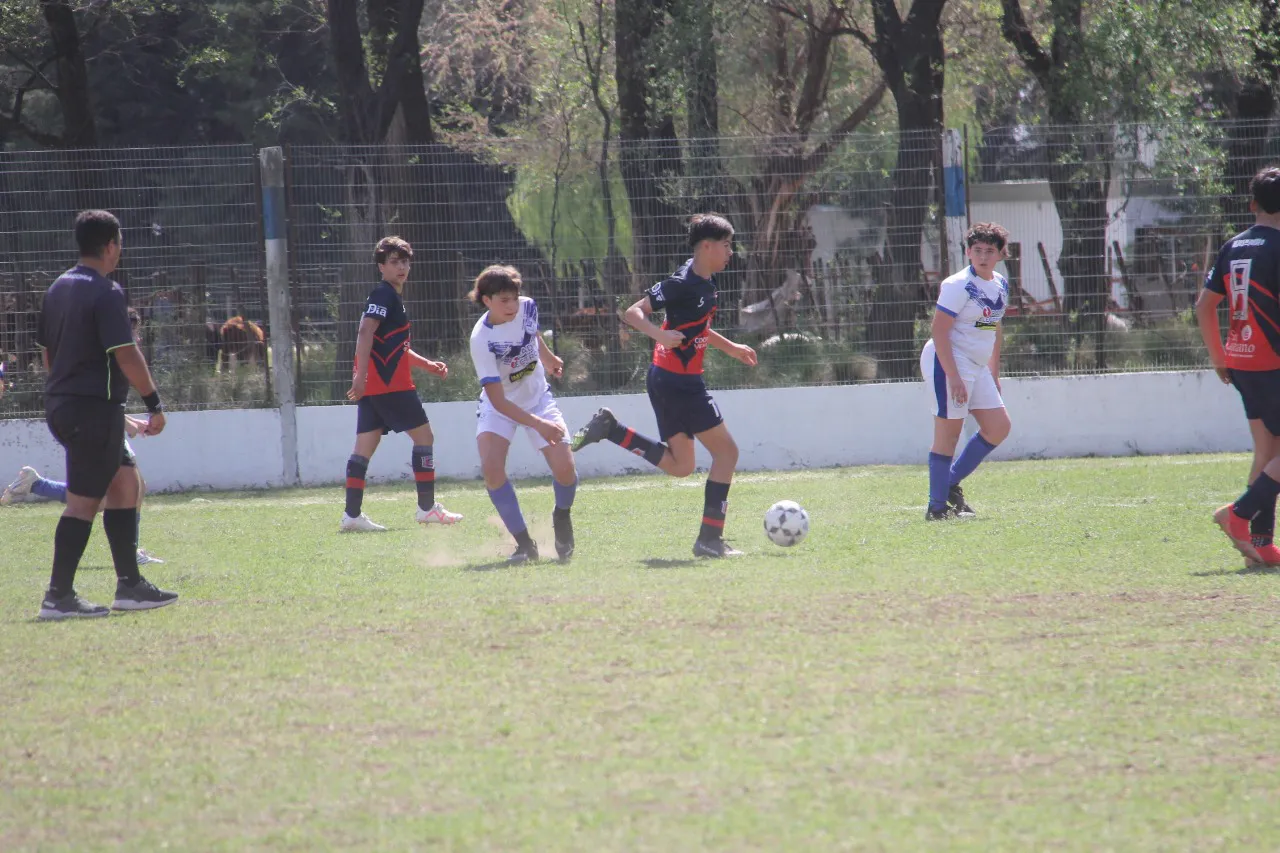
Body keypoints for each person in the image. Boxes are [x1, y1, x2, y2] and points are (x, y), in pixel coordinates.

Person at [571, 213, 758, 558]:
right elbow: (632, 313)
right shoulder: (683, 282)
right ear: (707, 246)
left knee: (681, 466)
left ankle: (612, 430)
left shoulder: (699, 278)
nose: (731, 251)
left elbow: (696, 326)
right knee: (727, 453)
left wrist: (730, 348)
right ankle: (710, 541)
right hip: (679, 382)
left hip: (667, 379)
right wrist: (659, 334)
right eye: (727, 244)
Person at [34, 209, 177, 619]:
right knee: (83, 503)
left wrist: (66, 387)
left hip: (67, 405)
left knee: (125, 483)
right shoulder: (106, 292)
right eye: (120, 245)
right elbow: (126, 353)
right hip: (92, 410)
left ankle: (129, 585)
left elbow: (47, 350)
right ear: (111, 245)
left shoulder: (57, 288)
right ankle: (58, 596)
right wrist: (154, 404)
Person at [4, 309, 163, 566]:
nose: (137, 337)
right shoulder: (108, 359)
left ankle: (35, 484)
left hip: (98, 426)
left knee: (115, 493)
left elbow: (108, 405)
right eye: (133, 331)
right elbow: (98, 403)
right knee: (115, 494)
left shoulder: (107, 358)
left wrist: (132, 423)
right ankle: (127, 555)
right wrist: (131, 425)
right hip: (96, 428)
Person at [342, 236, 463, 532]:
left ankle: (352, 516)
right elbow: (364, 331)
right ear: (381, 266)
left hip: (376, 386)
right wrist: (359, 376)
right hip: (389, 385)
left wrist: (428, 365)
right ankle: (426, 509)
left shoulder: (389, 297)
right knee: (425, 439)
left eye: (405, 261)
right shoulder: (384, 295)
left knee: (362, 450)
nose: (402, 267)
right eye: (394, 262)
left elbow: (394, 348)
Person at [1196, 166, 1280, 566]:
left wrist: (1218, 357)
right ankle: (1238, 515)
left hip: (1241, 362)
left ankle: (1259, 546)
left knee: (1267, 451)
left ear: (1252, 205)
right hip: (1274, 363)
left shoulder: (1234, 246)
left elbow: (1204, 306)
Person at [467, 265, 576, 562]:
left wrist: (549, 358)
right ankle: (525, 545)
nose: (512, 305)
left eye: (514, 298)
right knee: (491, 469)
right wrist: (539, 425)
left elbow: (532, 334)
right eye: (504, 300)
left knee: (565, 470)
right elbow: (498, 402)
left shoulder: (527, 307)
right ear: (486, 300)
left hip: (537, 398)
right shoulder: (481, 339)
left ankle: (562, 516)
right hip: (499, 405)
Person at [919, 222, 1013, 520]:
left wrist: (993, 373)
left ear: (1000, 254)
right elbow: (939, 331)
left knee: (998, 427)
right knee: (948, 434)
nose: (983, 256)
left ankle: (949, 485)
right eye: (977, 250)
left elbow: (991, 328)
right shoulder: (957, 285)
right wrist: (954, 377)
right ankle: (936, 510)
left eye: (989, 250)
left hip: (976, 365)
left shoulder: (999, 283)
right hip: (948, 361)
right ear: (968, 252)